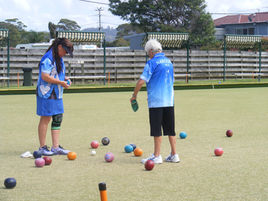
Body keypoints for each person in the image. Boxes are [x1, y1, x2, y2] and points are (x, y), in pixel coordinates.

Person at [130, 39, 180, 164]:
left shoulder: (152, 62)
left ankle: (157, 156)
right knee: (170, 129)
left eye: (148, 52)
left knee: (157, 129)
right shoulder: (169, 62)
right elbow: (171, 81)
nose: (148, 55)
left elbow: (141, 81)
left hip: (157, 102)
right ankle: (174, 155)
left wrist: (134, 96)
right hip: (169, 100)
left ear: (152, 51)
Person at [36, 37, 73, 156]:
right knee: (46, 118)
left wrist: (65, 79)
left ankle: (56, 147)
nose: (66, 54)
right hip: (46, 91)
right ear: (59, 47)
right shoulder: (48, 58)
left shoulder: (59, 58)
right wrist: (60, 82)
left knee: (57, 117)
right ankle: (42, 147)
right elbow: (45, 76)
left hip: (57, 91)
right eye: (65, 51)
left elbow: (57, 74)